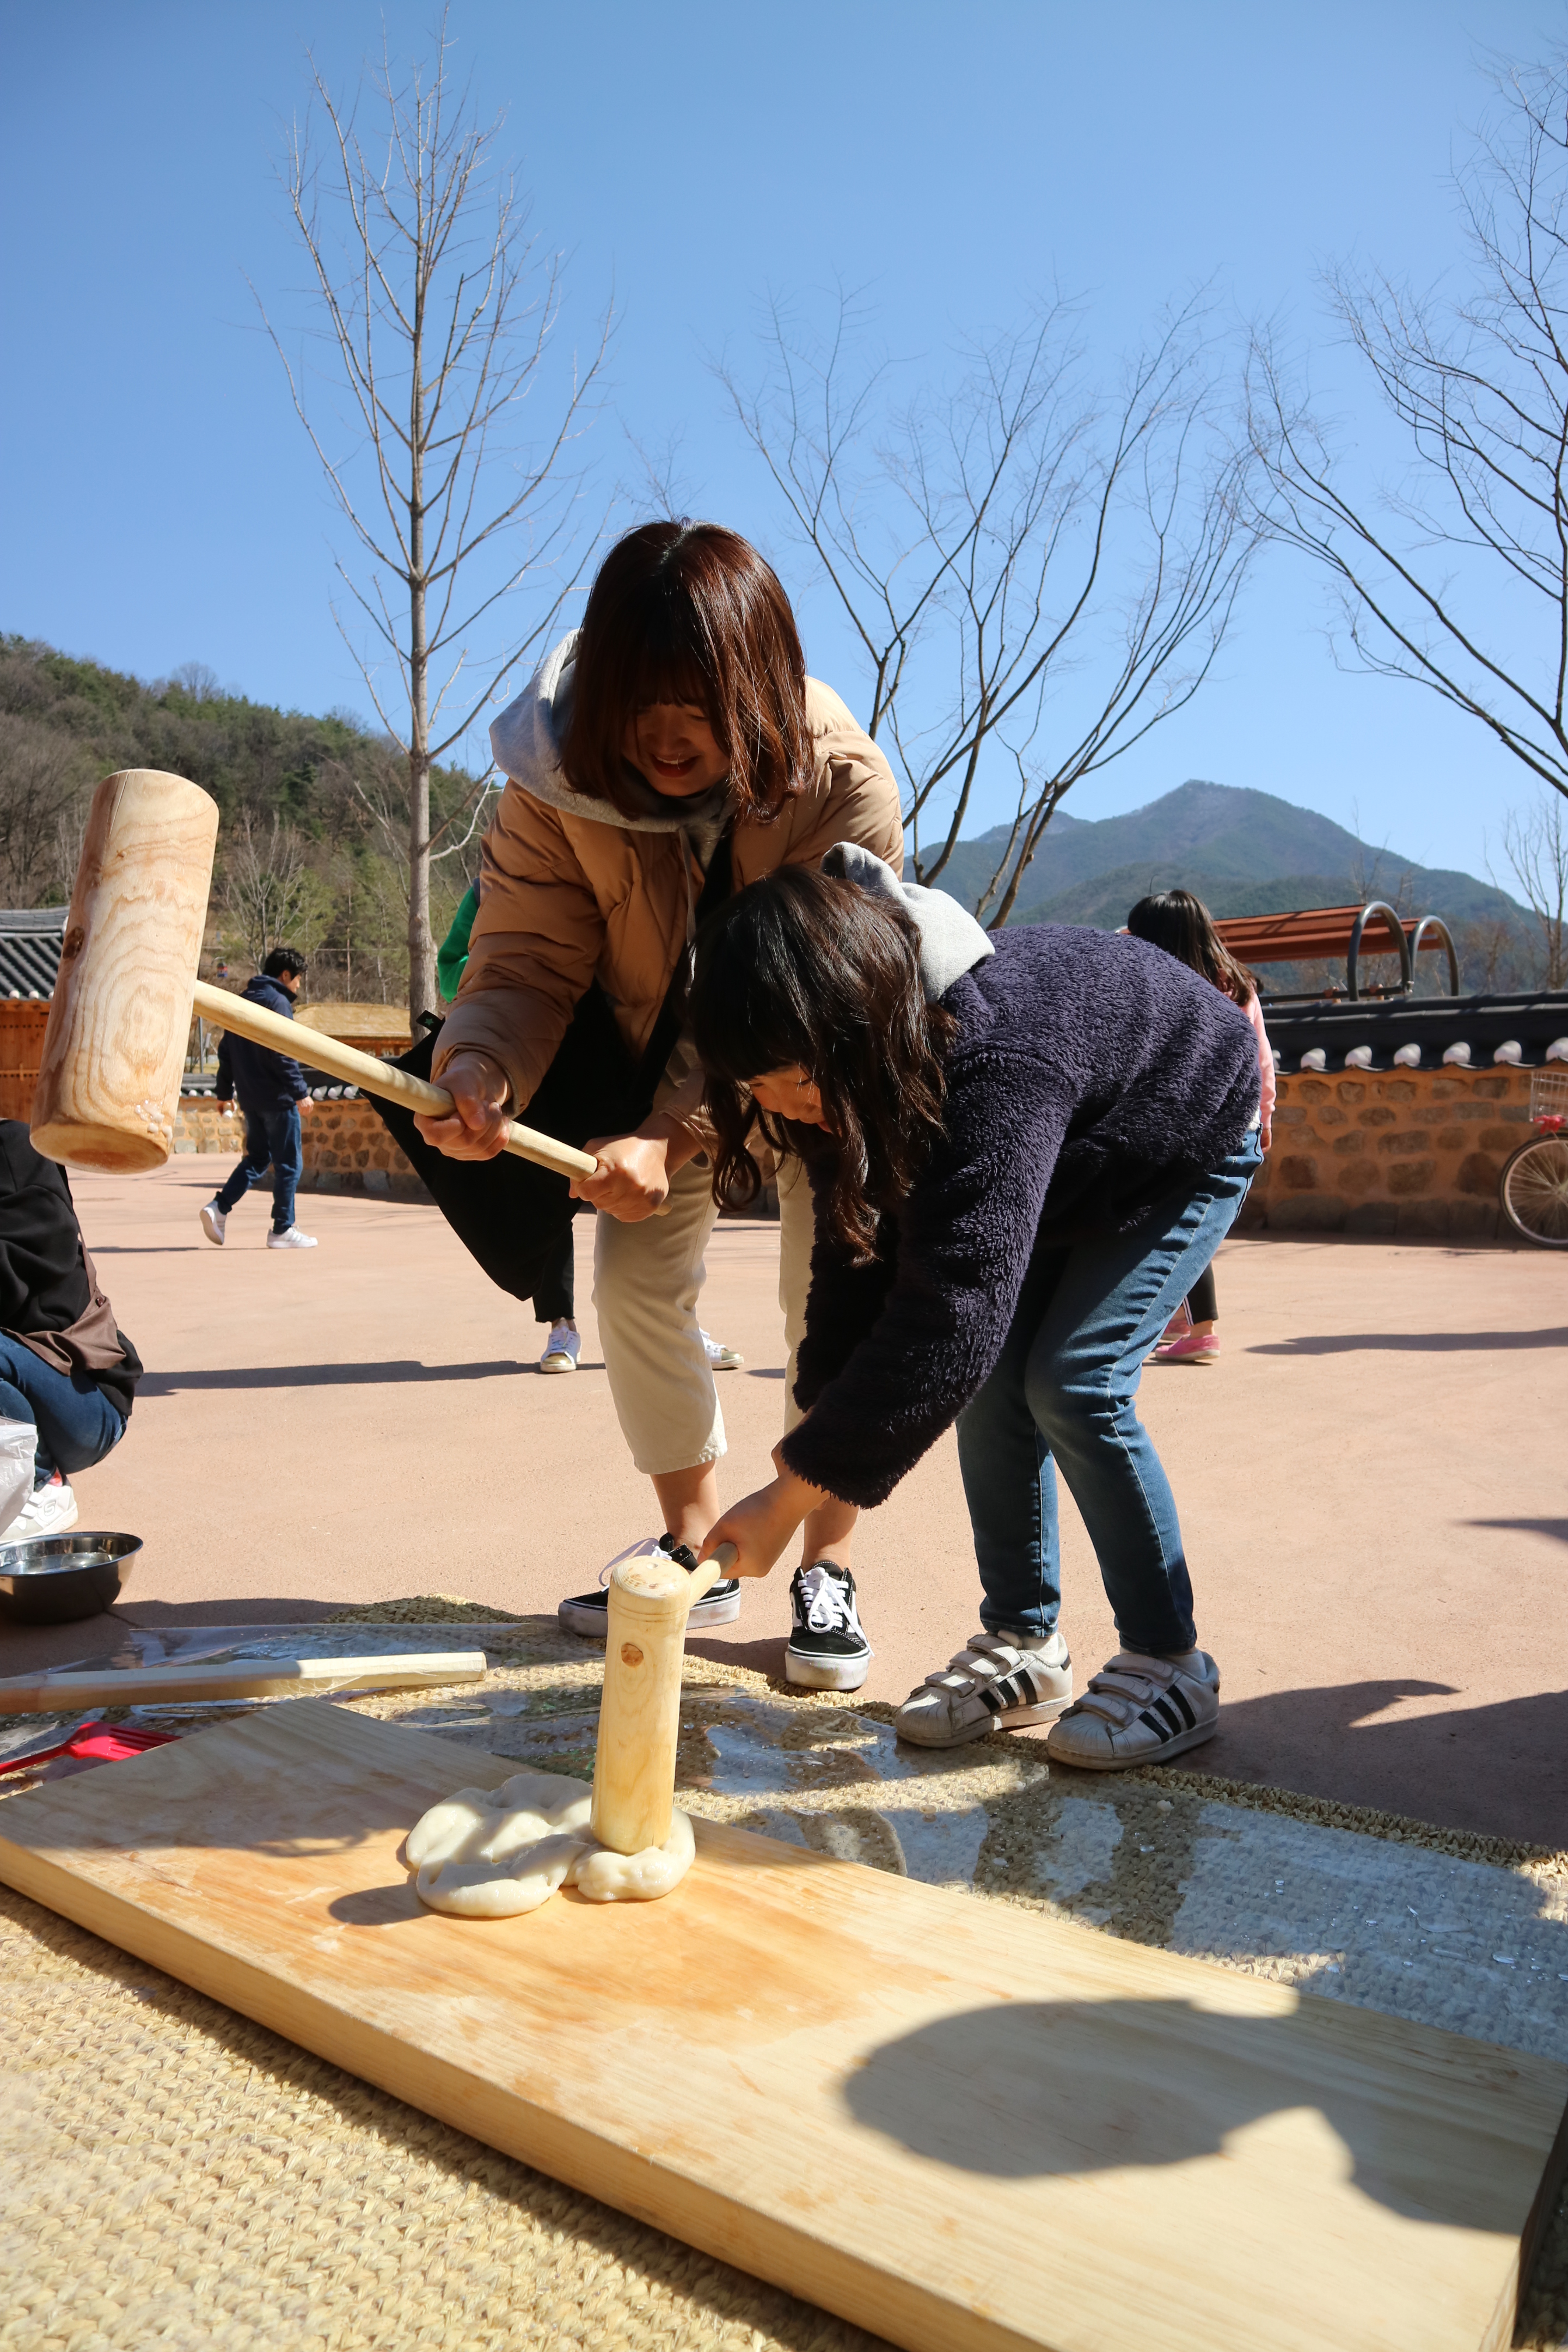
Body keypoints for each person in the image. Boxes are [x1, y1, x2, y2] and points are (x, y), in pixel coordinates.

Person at [413, 520, 901, 1687]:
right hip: (652, 1064)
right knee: (632, 1286)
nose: (666, 735)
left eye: (700, 704)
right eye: (641, 701)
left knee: (821, 1302)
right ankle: (697, 1548)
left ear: (757, 691)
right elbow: (526, 958)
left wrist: (669, 1130)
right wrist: (478, 1067)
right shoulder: (551, 780)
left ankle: (824, 1559)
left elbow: (819, 997)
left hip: (811, 1066)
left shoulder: (840, 783)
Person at [689, 849, 1262, 1768]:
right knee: (995, 1379)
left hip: (1186, 1127)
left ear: (852, 1022)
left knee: (1073, 1381)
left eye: (793, 1078)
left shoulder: (993, 1057)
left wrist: (790, 1496)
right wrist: (817, 1433)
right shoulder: (846, 1070)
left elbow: (949, 1314)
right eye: (757, 1088)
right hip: (1073, 1153)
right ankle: (1025, 1644)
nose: (784, 1107)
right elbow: (857, 1259)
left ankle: (1171, 1661)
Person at [436, 881, 743, 1380]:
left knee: (657, 1192)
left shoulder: (643, 859)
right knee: (549, 1193)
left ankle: (680, 1319)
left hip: (635, 1055)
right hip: (543, 1062)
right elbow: (452, 971)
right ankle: (561, 1324)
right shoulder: (492, 883)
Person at [1124, 890, 1275, 1364]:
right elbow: (1262, 1062)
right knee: (1189, 1226)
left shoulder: (1163, 985)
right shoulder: (1238, 985)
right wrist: (1265, 1118)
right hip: (1239, 1125)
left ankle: (1200, 1327)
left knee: (1169, 1225)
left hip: (1186, 1127)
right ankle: (1187, 1322)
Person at [0, 1120, 141, 1541]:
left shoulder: (15, 1152)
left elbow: (26, 1270)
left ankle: (42, 1486)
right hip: (42, 1394)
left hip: (90, 1406)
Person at [201, 947, 318, 1252]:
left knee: (257, 1158)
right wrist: (300, 1092)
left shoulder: (242, 1000)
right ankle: (283, 1228)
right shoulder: (278, 1002)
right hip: (277, 1098)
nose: (299, 987)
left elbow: (226, 1052)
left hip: (250, 1099)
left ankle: (219, 1207)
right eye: (298, 980)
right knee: (290, 1165)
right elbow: (283, 1052)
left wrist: (225, 1093)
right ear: (285, 976)